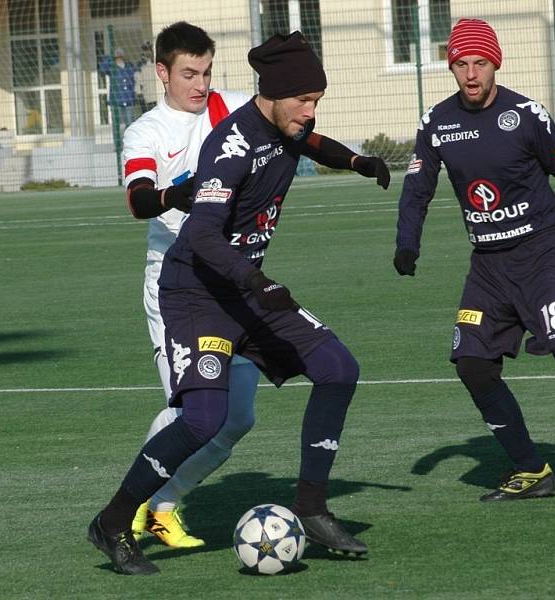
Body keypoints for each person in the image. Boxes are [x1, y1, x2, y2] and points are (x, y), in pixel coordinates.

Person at [88, 30, 390, 575]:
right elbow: (201, 237)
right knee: (205, 420)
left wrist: (358, 162)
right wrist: (256, 284)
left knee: (338, 367)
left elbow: (309, 142)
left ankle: (312, 507)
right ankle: (113, 522)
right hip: (196, 293)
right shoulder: (229, 147)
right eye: (303, 100)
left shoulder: (286, 121)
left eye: (316, 101)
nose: (310, 111)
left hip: (243, 286)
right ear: (272, 95)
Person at [394, 18, 555, 503]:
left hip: (542, 254)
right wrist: (407, 243)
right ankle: (531, 470)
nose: (471, 74)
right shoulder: (438, 122)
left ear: (495, 63)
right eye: (461, 64)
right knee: (472, 363)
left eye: (479, 63)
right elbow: (417, 188)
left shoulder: (525, 115)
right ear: (451, 67)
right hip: (489, 266)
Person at [120, 21, 257, 550]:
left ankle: (165, 502)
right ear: (162, 72)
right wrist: (176, 195)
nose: (200, 85)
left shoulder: (230, 109)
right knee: (190, 408)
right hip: (174, 285)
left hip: (228, 284)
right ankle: (131, 501)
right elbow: (137, 200)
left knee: (237, 414)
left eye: (206, 72)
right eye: (188, 74)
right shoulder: (147, 131)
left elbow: (286, 113)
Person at [98, 47, 141, 152]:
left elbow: (137, 75)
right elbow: (102, 70)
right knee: (117, 125)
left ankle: (129, 145)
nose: (119, 59)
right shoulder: (111, 67)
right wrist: (108, 58)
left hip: (129, 99)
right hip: (116, 101)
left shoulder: (129, 66)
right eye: (117, 57)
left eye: (120, 56)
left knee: (130, 123)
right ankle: (118, 146)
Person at [135, 40, 158, 114]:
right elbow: (138, 80)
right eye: (145, 50)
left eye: (148, 50)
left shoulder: (157, 63)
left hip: (157, 96)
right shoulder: (140, 65)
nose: (147, 52)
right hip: (147, 97)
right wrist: (139, 93)